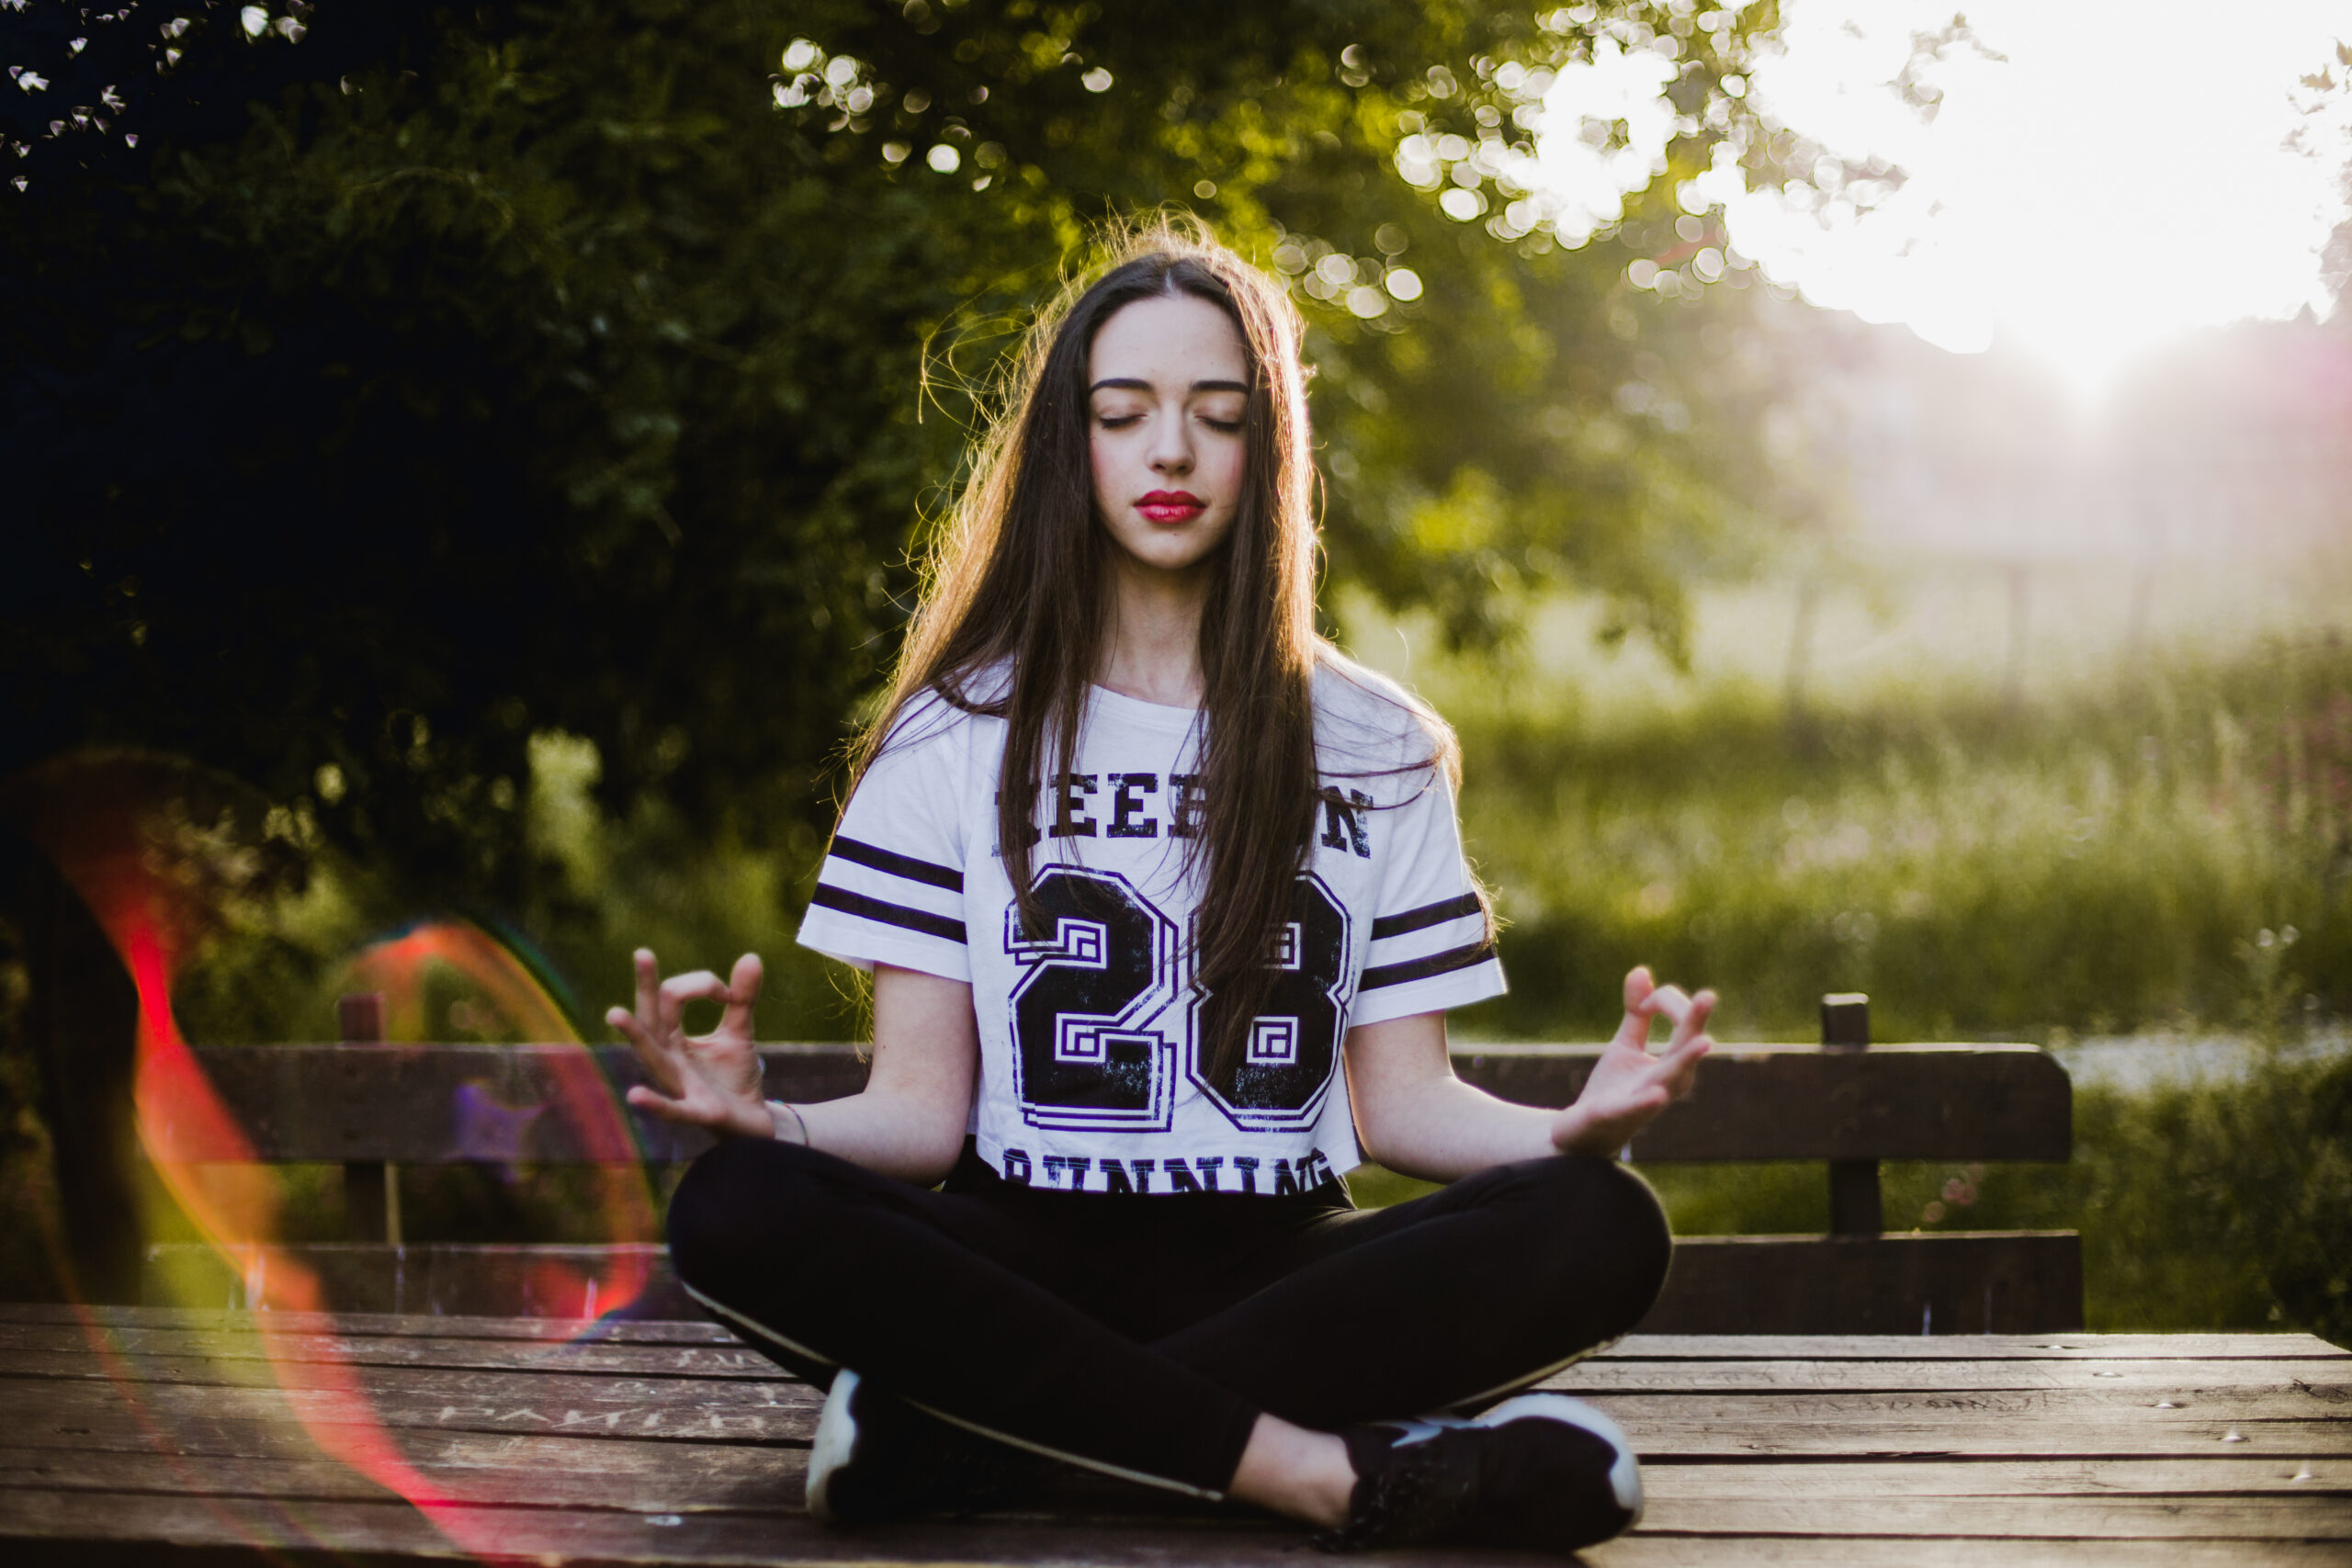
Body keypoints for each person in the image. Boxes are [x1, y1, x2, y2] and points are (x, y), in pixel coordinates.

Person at [608, 226, 1713, 1555]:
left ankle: (958, 1439)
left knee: (1602, 1225)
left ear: (1270, 450)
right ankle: (1325, 1475)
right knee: (734, 1206)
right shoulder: (956, 730)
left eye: (1218, 416)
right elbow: (917, 1115)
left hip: (1281, 1266)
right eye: (1123, 415)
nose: (1171, 453)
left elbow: (1404, 1105)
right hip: (1016, 1255)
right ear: (1070, 448)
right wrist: (768, 1125)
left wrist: (1571, 1131)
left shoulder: (1374, 741)